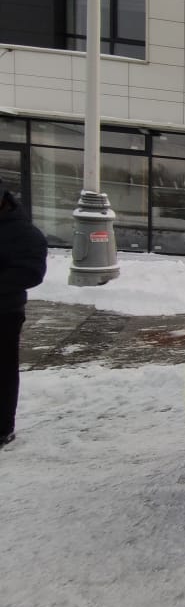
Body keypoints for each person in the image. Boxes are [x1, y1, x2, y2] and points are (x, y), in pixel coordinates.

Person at [0, 177, 48, 448]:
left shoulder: (22, 232)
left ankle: (3, 428)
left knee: (3, 374)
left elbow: (30, 271)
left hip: (5, 313)